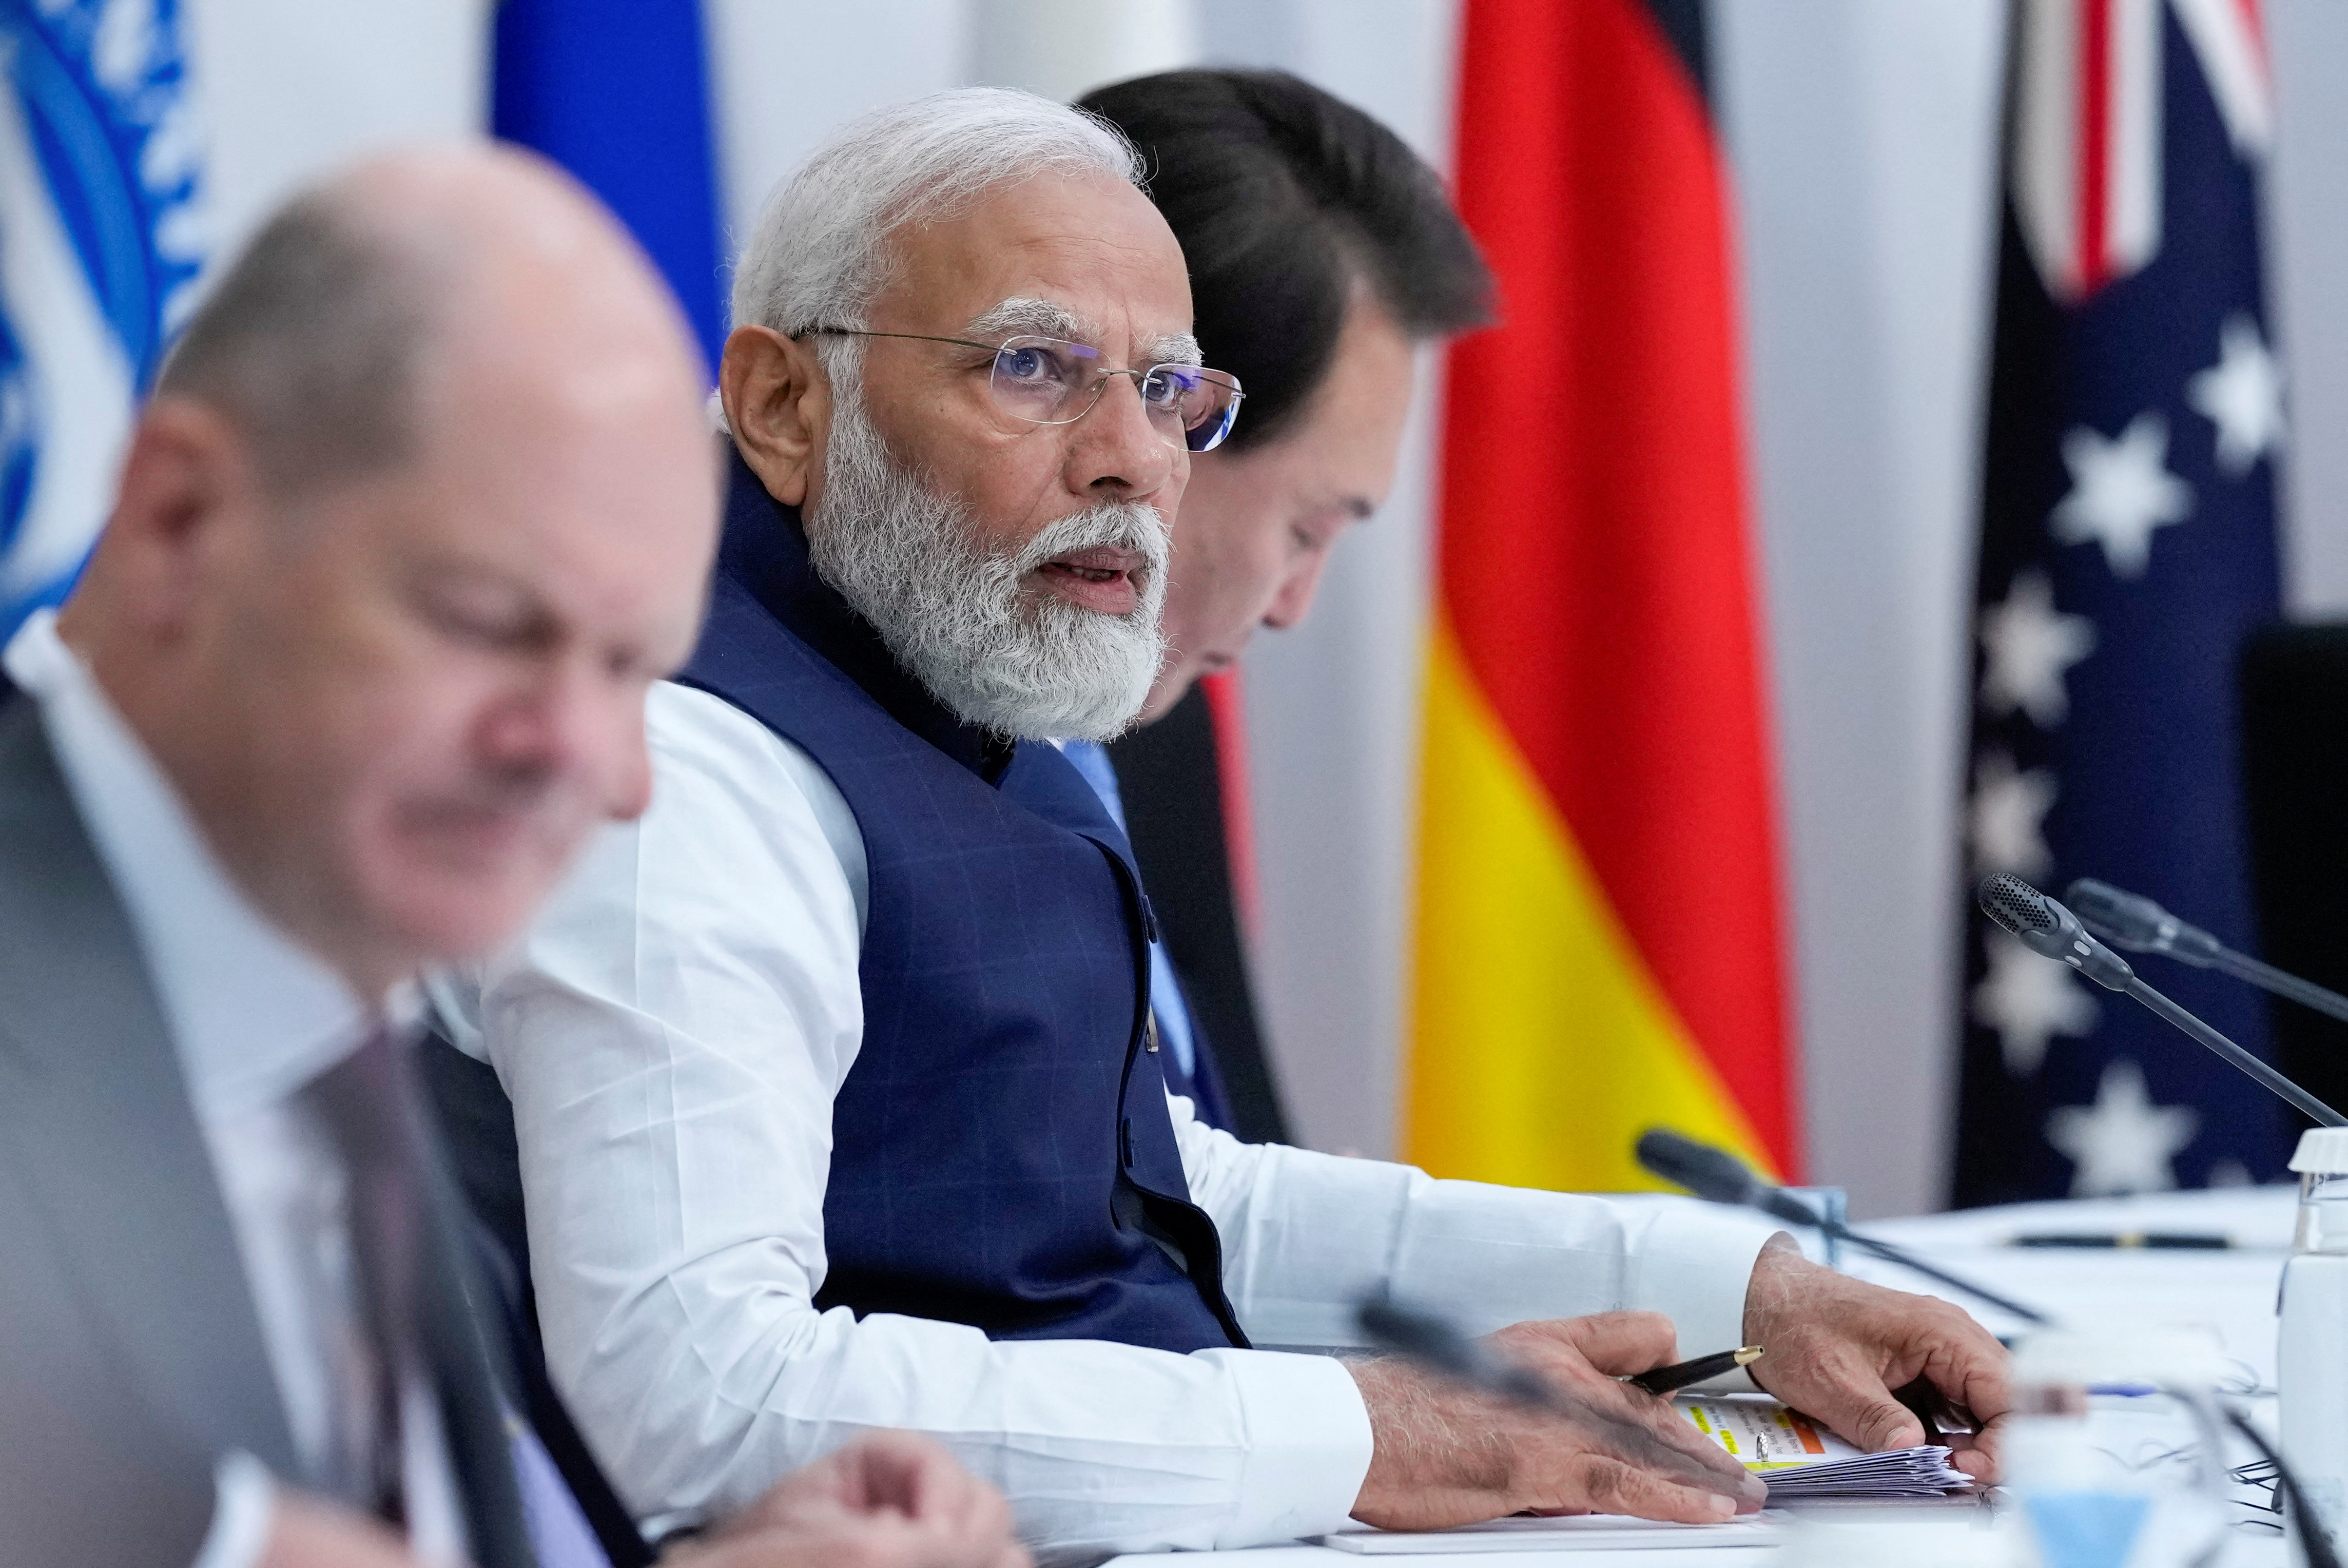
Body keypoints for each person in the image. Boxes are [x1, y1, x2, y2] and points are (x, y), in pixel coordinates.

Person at [430, 89, 2008, 1561]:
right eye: (1031, 367)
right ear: (784, 402)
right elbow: (690, 1405)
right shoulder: (680, 774)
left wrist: (1732, 1286)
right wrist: (1354, 1431)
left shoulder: (958, 664)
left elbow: (1160, 1199)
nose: (1131, 462)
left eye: (1171, 390)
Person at [0, 147, 1023, 1568]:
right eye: (491, 624)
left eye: (631, 669)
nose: (596, 767)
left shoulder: (340, 991)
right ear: (182, 520)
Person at [1063, 69, 1496, 1137]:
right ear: (1164, 427)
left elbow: (1241, 1167)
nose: (1293, 607)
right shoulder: (831, 762)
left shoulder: (1144, 730)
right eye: (1303, 530)